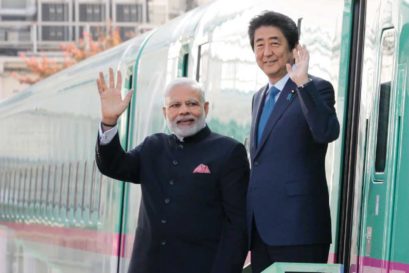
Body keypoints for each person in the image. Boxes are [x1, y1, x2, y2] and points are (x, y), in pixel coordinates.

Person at [95, 69, 249, 273]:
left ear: (205, 108)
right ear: (165, 112)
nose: (183, 110)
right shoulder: (153, 146)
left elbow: (237, 226)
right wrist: (109, 122)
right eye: (175, 105)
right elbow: (113, 165)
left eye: (192, 104)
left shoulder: (229, 151)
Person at [246, 11, 340, 273]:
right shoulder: (259, 97)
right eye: (259, 44)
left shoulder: (316, 87)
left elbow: (326, 132)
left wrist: (303, 83)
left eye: (275, 43)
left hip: (300, 229)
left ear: (293, 49)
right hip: (261, 231)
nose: (267, 51)